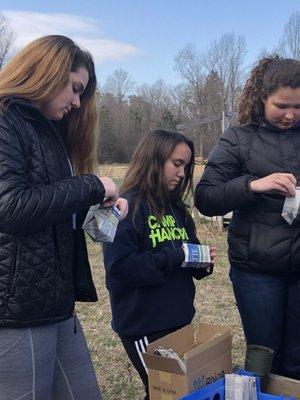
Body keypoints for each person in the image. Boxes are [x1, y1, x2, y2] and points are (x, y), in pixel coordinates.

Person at [0, 35, 127, 399]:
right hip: (16, 309)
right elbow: (10, 207)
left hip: (55, 302)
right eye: (74, 89)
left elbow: (49, 205)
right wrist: (91, 186)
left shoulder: (49, 131)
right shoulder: (6, 119)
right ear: (45, 72)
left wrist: (99, 206)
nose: (76, 102)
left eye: (82, 94)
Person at [195, 55, 300, 379]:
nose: (290, 114)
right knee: (264, 358)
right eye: (281, 105)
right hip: (257, 269)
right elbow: (206, 197)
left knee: (297, 360)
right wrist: (254, 185)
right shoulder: (239, 137)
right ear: (261, 98)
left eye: (298, 106)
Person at [103, 129, 216, 399]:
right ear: (153, 160)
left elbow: (187, 251)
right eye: (176, 164)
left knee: (177, 392)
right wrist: (176, 257)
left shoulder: (178, 210)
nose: (182, 173)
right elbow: (121, 268)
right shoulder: (126, 206)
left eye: (186, 167)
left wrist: (202, 261)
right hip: (144, 326)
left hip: (179, 319)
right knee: (165, 393)